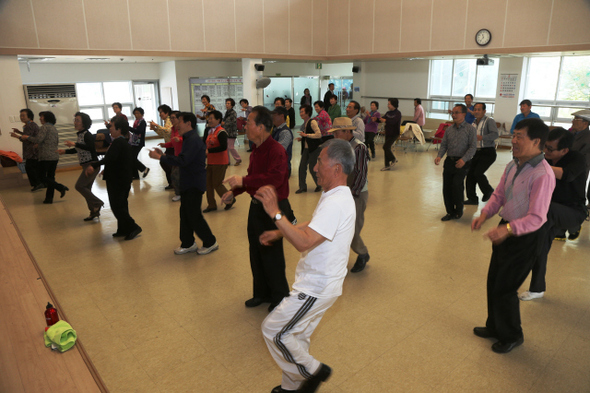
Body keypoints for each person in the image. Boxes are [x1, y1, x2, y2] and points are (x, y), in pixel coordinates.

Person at [257, 138, 356, 393]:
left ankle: (314, 371)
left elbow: (304, 242)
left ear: (336, 169)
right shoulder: (333, 194)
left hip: (317, 286)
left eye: (320, 162)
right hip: (319, 281)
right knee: (296, 336)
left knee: (274, 331)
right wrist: (279, 232)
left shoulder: (336, 202)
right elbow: (312, 226)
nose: (314, 167)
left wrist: (275, 213)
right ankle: (292, 388)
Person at [471, 118, 555, 354]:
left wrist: (506, 230)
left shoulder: (542, 174)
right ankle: (494, 326)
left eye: (519, 136)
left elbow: (537, 217)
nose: (513, 140)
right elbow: (499, 194)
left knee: (506, 287)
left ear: (536, 141)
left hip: (525, 236)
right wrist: (485, 214)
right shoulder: (513, 165)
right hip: (505, 228)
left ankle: (512, 335)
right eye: (514, 135)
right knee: (494, 280)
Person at [221, 106, 295, 312]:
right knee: (256, 251)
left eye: (248, 122)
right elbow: (252, 178)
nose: (245, 125)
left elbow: (275, 178)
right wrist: (233, 192)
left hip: (274, 209)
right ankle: (261, 293)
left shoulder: (276, 150)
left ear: (261, 127)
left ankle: (280, 296)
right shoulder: (256, 150)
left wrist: (243, 180)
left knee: (272, 255)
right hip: (256, 207)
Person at [519, 128, 588, 301]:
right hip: (548, 212)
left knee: (545, 211)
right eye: (545, 147)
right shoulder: (544, 159)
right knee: (539, 247)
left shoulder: (577, 159)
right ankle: (537, 288)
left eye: (550, 149)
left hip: (573, 211)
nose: (546, 151)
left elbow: (568, 175)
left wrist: (537, 163)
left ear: (564, 150)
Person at [149, 112, 219, 256]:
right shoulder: (188, 138)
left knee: (193, 214)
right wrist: (163, 155)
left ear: (188, 123)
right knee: (185, 213)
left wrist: (161, 157)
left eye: (179, 121)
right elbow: (182, 158)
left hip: (194, 183)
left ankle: (210, 242)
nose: (177, 124)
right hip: (188, 182)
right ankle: (188, 243)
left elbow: (183, 161)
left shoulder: (192, 139)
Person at [86, 116, 142, 240]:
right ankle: (123, 228)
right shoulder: (119, 141)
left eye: (111, 126)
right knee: (120, 205)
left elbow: (110, 159)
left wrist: (94, 165)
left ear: (119, 129)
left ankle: (133, 227)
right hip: (119, 177)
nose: (109, 128)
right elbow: (116, 160)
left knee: (117, 205)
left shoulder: (119, 142)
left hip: (119, 179)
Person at [328, 117, 370, 273]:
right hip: (343, 193)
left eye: (336, 133)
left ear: (347, 131)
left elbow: (360, 174)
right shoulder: (340, 147)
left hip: (356, 194)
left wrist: (351, 197)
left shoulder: (359, 148)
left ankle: (363, 253)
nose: (334, 136)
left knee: (352, 230)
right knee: (340, 228)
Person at [58, 112, 104, 221]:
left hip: (92, 165)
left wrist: (75, 144)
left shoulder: (87, 134)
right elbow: (79, 148)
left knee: (80, 186)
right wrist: (65, 151)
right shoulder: (79, 134)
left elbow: (90, 148)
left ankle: (97, 203)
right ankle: (93, 211)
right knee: (86, 188)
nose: (75, 122)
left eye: (77, 120)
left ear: (84, 123)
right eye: (75, 120)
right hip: (86, 165)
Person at [15, 111, 68, 204]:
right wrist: (39, 145)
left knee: (41, 177)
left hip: (45, 157)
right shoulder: (53, 128)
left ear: (46, 118)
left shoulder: (44, 127)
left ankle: (60, 187)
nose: (40, 118)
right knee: (51, 177)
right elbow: (50, 141)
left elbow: (38, 139)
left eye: (41, 117)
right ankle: (48, 199)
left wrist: (27, 137)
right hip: (54, 156)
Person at [435, 104, 477, 221]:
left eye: (456, 112)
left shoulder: (470, 129)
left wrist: (464, 159)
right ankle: (450, 212)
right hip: (450, 161)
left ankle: (458, 210)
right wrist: (439, 156)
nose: (454, 115)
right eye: (452, 113)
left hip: (463, 162)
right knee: (447, 187)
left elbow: (473, 147)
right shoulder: (449, 129)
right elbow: (444, 145)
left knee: (457, 185)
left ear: (464, 114)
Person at [464, 103, 499, 205]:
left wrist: (482, 137)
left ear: (484, 111)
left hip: (488, 152)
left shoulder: (489, 121)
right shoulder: (473, 123)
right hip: (476, 152)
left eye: (479, 109)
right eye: (475, 109)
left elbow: (495, 134)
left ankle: (488, 191)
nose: (476, 111)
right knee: (470, 175)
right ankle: (472, 199)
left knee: (478, 173)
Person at [203, 110, 232, 213]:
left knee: (217, 184)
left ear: (218, 120)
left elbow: (223, 147)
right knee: (208, 184)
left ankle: (230, 200)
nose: (209, 120)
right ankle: (211, 205)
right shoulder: (208, 131)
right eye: (208, 118)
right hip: (210, 161)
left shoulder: (221, 131)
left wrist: (209, 150)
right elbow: (204, 143)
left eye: (211, 118)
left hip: (220, 162)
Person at [12, 108, 41, 190]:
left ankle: (37, 184)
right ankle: (40, 183)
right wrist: (19, 132)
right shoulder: (30, 125)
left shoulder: (30, 125)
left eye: (23, 115)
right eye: (21, 115)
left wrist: (17, 136)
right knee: (34, 167)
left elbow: (27, 138)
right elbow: (28, 135)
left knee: (30, 168)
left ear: (29, 116)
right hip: (32, 150)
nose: (21, 117)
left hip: (32, 151)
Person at [296, 105, 322, 194]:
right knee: (302, 167)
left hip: (314, 149)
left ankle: (319, 185)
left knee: (312, 168)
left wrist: (306, 136)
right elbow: (307, 135)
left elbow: (319, 135)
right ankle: (302, 187)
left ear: (308, 113)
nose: (301, 113)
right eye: (300, 112)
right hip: (307, 149)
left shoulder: (312, 122)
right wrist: (302, 138)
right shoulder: (305, 123)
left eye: (302, 111)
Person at [158, 111, 183, 201]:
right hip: (176, 155)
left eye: (173, 118)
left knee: (176, 175)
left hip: (183, 156)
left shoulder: (182, 128)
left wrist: (179, 139)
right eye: (171, 118)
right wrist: (165, 145)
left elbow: (186, 138)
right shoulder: (173, 129)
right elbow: (172, 142)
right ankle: (179, 192)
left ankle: (179, 193)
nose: (172, 120)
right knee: (174, 175)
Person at [150, 104, 174, 190]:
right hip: (169, 146)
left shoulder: (169, 120)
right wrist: (155, 129)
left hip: (172, 146)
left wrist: (156, 125)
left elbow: (167, 131)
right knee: (166, 163)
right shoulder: (166, 121)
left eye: (161, 112)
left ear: (167, 112)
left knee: (166, 163)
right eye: (159, 113)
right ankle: (172, 183)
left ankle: (173, 183)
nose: (160, 114)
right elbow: (163, 133)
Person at [569, 109, 590, 207]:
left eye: (576, 119)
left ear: (585, 123)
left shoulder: (587, 138)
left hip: (576, 173)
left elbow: (577, 154)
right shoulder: (572, 133)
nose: (573, 121)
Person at [379, 98, 402, 171]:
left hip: (394, 133)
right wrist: (376, 119)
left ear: (393, 105)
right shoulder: (388, 113)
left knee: (386, 147)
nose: (388, 105)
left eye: (389, 104)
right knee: (386, 148)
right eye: (388, 104)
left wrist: (386, 120)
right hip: (388, 132)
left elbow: (393, 122)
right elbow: (383, 118)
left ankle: (393, 159)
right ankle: (386, 165)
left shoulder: (398, 113)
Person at [271, 106, 294, 176]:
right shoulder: (276, 129)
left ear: (281, 116)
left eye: (274, 116)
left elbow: (279, 150)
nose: (272, 118)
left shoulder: (285, 132)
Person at [130, 107, 149, 180]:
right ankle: (135, 175)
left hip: (139, 142)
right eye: (135, 113)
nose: (136, 115)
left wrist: (128, 128)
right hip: (134, 142)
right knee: (132, 158)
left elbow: (138, 131)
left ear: (142, 114)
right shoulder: (136, 121)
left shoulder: (142, 122)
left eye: (138, 113)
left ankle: (144, 168)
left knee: (132, 157)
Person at [222, 98, 241, 166]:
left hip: (231, 133)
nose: (227, 104)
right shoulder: (227, 112)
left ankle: (238, 159)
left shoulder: (233, 113)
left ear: (232, 105)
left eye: (228, 103)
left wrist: (224, 123)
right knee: (226, 148)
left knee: (231, 147)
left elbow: (233, 122)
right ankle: (227, 161)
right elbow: (224, 120)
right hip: (226, 132)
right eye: (226, 103)